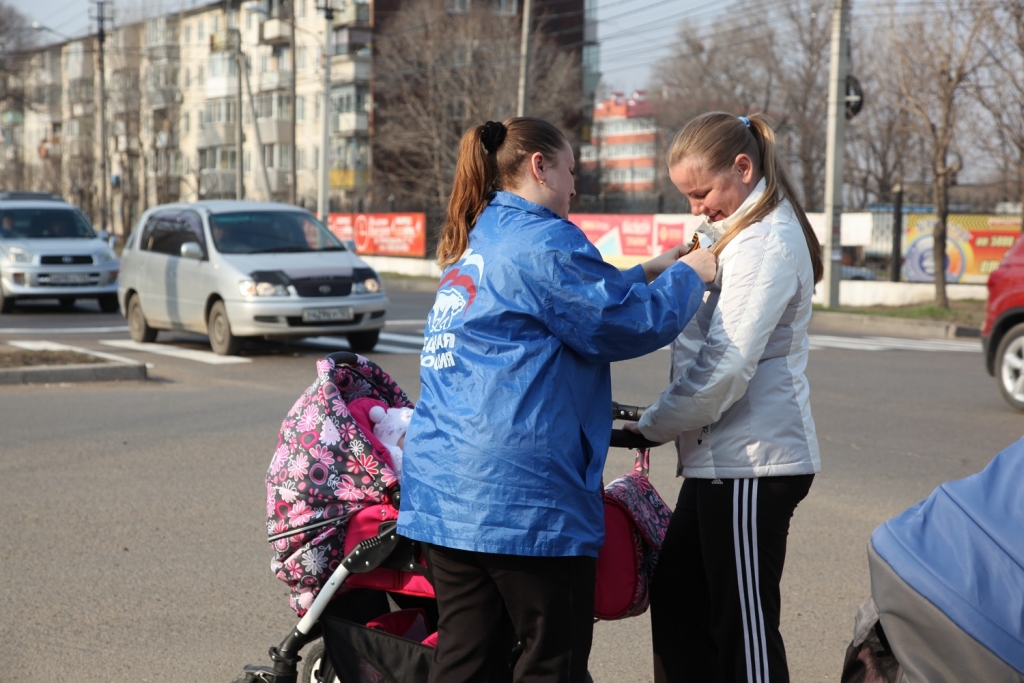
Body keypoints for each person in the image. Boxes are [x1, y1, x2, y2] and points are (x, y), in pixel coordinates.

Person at [396, 117, 717, 683]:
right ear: (539, 166)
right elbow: (623, 322)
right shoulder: (545, 240)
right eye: (570, 170)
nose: (575, 186)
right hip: (523, 505)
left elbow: (577, 297)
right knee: (553, 665)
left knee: (467, 663)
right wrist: (690, 275)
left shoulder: (485, 239)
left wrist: (654, 268)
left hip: (447, 499)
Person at [628, 112, 824, 683]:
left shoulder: (764, 241)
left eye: (702, 192)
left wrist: (655, 424)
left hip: (752, 465)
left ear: (743, 168)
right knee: (680, 602)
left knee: (744, 630)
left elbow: (726, 366)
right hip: (724, 460)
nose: (695, 207)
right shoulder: (738, 231)